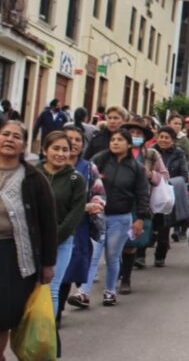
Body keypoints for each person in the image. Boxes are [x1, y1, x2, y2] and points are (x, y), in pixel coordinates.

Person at [0, 121, 57, 358]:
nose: (10, 139)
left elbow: (47, 223)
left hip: (13, 257)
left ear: (24, 145)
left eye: (16, 136)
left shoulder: (34, 179)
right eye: (5, 134)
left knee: (2, 316)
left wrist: (48, 264)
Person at [79, 129, 151, 306]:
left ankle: (110, 291)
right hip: (98, 215)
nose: (115, 142)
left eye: (120, 140)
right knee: (94, 255)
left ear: (128, 144)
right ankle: (83, 293)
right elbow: (87, 183)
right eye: (113, 139)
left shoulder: (136, 168)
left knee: (112, 256)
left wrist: (140, 218)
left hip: (121, 218)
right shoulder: (99, 160)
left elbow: (142, 194)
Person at [37, 131, 87, 315]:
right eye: (55, 148)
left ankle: (48, 332)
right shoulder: (33, 174)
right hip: (32, 241)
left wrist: (54, 237)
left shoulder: (76, 179)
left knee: (51, 289)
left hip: (61, 241)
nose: (60, 154)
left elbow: (75, 214)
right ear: (44, 150)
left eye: (65, 150)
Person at [58, 126, 105, 322]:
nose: (74, 143)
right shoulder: (50, 166)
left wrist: (94, 205)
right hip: (52, 223)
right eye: (69, 139)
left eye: (78, 139)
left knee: (69, 267)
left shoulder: (89, 168)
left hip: (79, 226)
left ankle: (57, 310)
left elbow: (99, 194)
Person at [120, 118, 168, 288]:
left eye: (138, 133)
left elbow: (164, 177)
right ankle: (118, 270)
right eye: (131, 133)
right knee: (116, 240)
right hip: (118, 201)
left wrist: (151, 175)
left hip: (139, 203)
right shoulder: (117, 152)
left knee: (131, 242)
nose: (134, 136)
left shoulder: (152, 154)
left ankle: (126, 277)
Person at [149, 126, 189, 266]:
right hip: (150, 191)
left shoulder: (179, 154)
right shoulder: (150, 152)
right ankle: (140, 256)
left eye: (167, 138)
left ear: (173, 140)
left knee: (163, 227)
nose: (163, 140)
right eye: (161, 137)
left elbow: (184, 174)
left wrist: (169, 183)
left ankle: (160, 256)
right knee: (147, 224)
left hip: (167, 193)